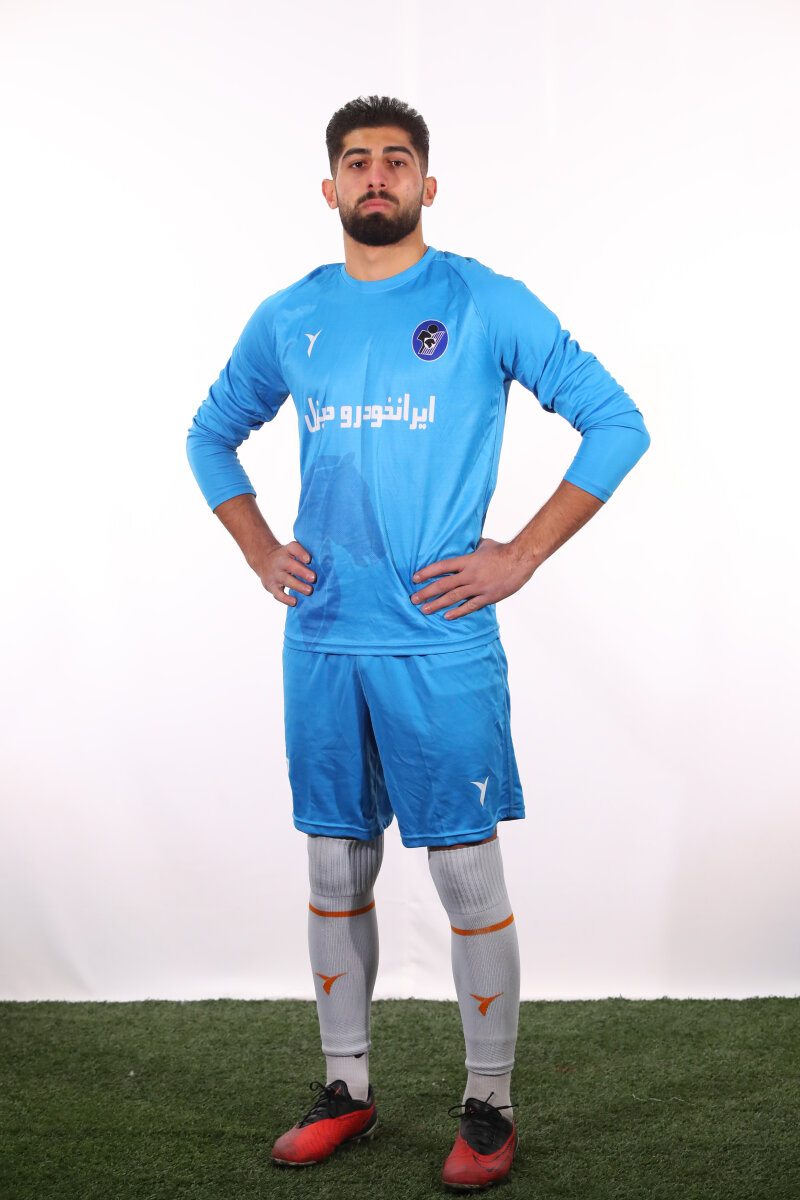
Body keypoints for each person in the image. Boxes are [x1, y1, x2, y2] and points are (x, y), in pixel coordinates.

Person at [186, 93, 650, 1191]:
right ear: (329, 187)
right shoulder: (290, 315)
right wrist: (260, 550)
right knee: (335, 865)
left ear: (427, 185)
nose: (377, 176)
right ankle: (346, 1088)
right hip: (324, 643)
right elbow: (209, 436)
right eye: (357, 161)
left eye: (397, 160)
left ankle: (489, 1105)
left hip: (440, 648)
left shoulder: (481, 301)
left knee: (464, 872)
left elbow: (617, 422)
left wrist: (520, 554)